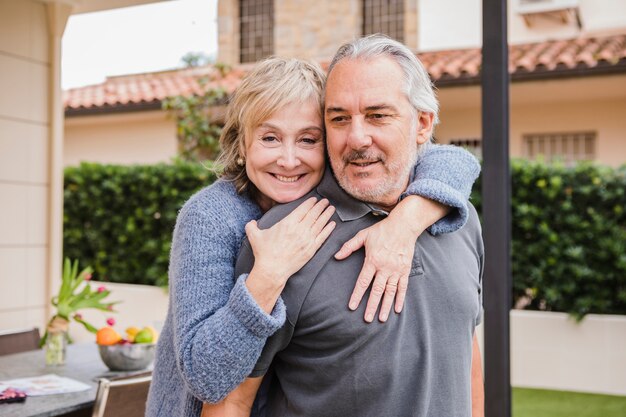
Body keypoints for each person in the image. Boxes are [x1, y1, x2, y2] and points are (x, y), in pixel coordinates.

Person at [146, 55, 480, 417]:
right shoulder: (212, 217)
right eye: (270, 137)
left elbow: (453, 160)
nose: (289, 160)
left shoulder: (356, 187)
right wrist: (269, 275)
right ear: (242, 145)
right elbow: (208, 381)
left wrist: (406, 221)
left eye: (308, 139)